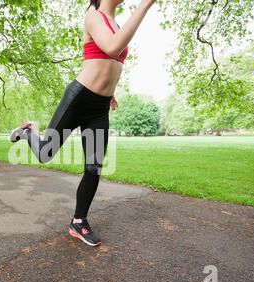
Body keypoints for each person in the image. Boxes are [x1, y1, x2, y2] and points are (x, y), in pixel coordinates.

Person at [10, 0, 156, 246]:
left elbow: (110, 63)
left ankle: (78, 222)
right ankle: (27, 132)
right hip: (79, 98)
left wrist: (109, 91)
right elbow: (111, 47)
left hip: (99, 107)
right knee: (46, 153)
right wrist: (145, 5)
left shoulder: (116, 23)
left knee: (93, 168)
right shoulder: (94, 17)